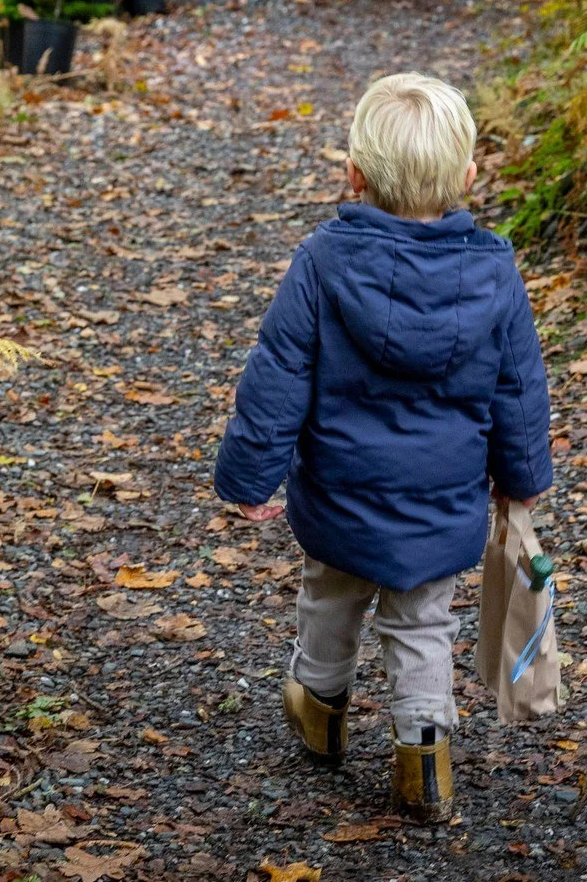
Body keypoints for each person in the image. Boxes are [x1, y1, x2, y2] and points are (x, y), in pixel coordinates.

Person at [213, 72, 553, 822]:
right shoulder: (495, 273)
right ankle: (424, 761)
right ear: (468, 177)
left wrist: (248, 477)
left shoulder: (322, 262)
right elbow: (518, 389)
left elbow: (277, 376)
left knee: (331, 593)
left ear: (354, 175)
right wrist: (522, 479)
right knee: (423, 620)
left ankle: (320, 706)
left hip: (340, 490)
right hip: (442, 500)